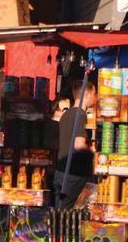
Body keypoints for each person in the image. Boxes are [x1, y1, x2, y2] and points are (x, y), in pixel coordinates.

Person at [54, 78, 97, 209]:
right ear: (87, 93)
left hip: (61, 173)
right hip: (73, 175)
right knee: (67, 213)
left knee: (60, 212)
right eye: (94, 94)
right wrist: (92, 150)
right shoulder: (81, 115)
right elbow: (78, 144)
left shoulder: (65, 115)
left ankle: (57, 229)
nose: (95, 98)